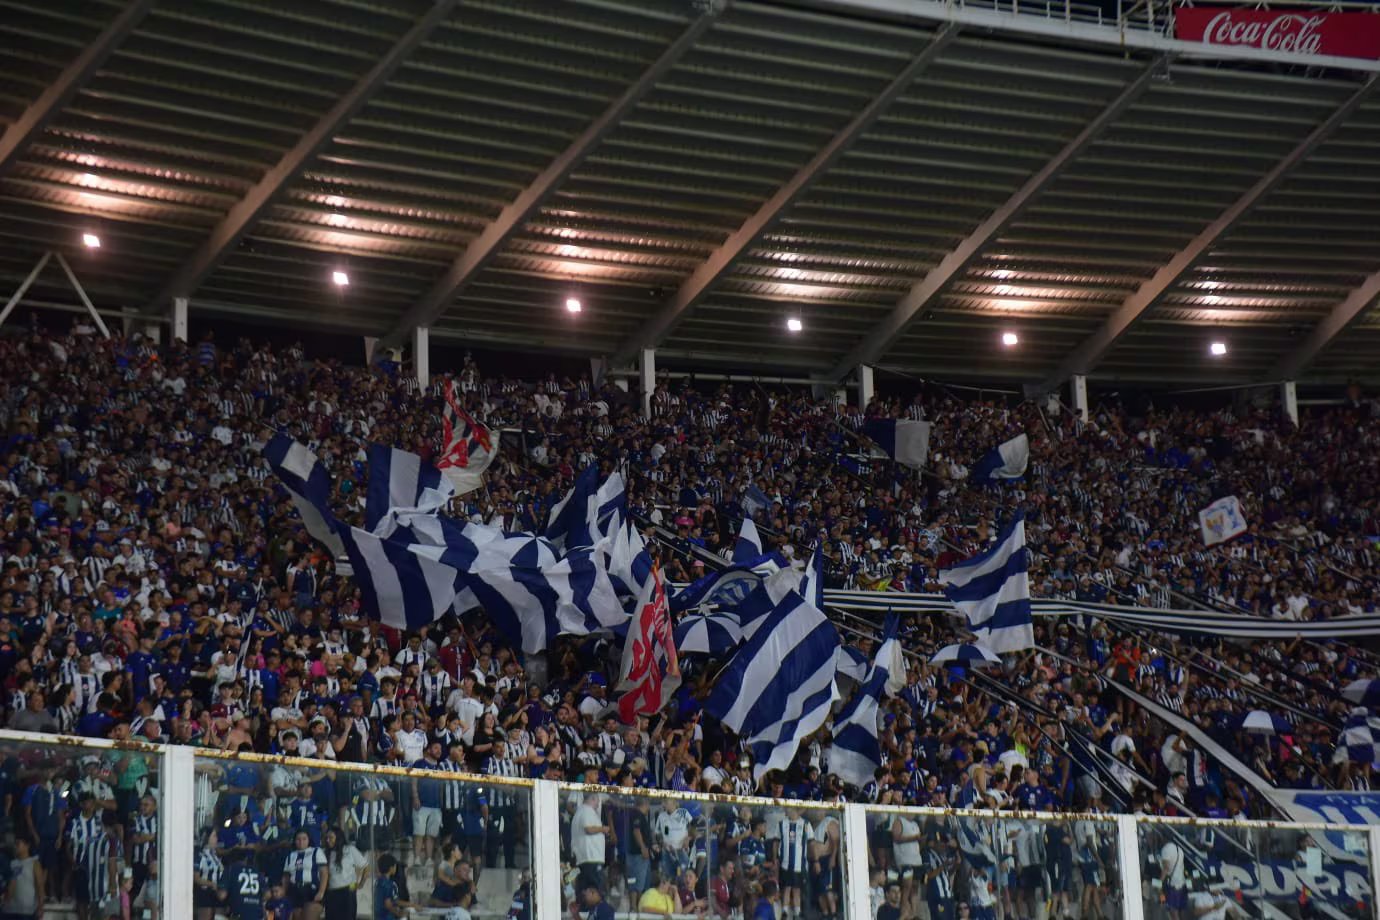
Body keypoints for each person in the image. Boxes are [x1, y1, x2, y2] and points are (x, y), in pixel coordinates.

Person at [322, 826, 368, 920]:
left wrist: (361, 884)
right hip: (331, 892)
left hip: (348, 890)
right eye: (326, 837)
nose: (328, 840)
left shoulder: (349, 849)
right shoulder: (324, 852)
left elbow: (366, 867)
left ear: (338, 837)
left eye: (331, 837)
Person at [281, 830, 328, 920]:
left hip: (312, 890)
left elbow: (324, 873)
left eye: (304, 839)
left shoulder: (316, 851)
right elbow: (286, 877)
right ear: (294, 841)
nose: (301, 842)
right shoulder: (291, 856)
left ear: (308, 840)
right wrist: (284, 892)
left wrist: (321, 891)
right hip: (295, 891)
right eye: (298, 839)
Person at [570, 792, 609, 895]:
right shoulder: (587, 811)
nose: (598, 804)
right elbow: (588, 829)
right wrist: (602, 829)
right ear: (592, 798)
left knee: (584, 890)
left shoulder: (579, 812)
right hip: (592, 857)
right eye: (597, 801)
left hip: (584, 859)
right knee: (596, 891)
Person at [2, 835, 45, 920]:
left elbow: (40, 886)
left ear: (27, 845)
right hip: (10, 909)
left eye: (18, 844)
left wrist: (41, 906)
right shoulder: (11, 863)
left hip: (28, 910)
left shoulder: (34, 863)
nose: (15, 847)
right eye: (15, 844)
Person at [373, 854, 412, 920]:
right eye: (395, 866)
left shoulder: (378, 881)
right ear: (391, 868)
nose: (396, 868)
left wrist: (412, 905)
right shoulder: (389, 884)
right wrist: (399, 914)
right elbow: (388, 904)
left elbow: (395, 900)